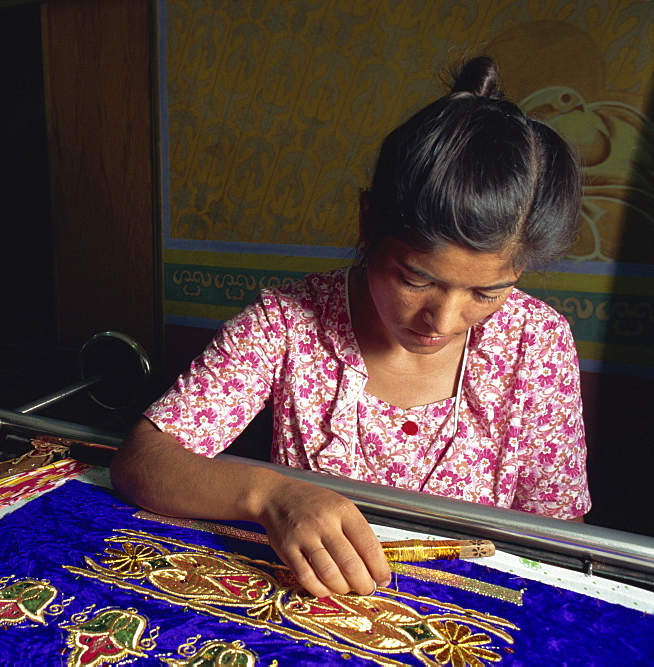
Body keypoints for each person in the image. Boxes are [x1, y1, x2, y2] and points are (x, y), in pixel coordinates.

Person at [111, 56, 590, 601]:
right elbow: (143, 461)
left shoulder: (537, 342)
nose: (443, 320)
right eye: (415, 278)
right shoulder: (287, 322)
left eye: (486, 293)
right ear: (367, 222)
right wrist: (272, 495)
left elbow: (559, 538)